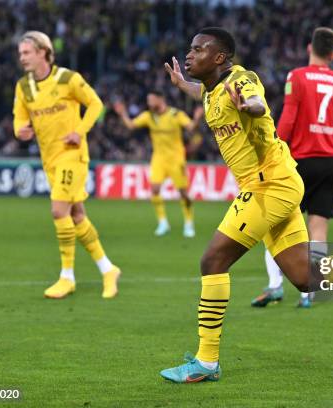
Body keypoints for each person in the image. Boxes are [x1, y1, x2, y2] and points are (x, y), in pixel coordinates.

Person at [160, 27, 333, 383]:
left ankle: (207, 361)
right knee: (307, 279)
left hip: (267, 186)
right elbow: (207, 93)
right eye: (190, 48)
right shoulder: (213, 90)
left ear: (220, 58)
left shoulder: (242, 80)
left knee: (212, 261)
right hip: (278, 183)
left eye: (198, 49)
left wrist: (252, 107)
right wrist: (184, 85)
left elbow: (254, 100)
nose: (189, 55)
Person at [12, 31, 121, 299]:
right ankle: (108, 269)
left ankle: (67, 276)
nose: (21, 57)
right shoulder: (23, 87)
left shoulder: (67, 79)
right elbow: (18, 119)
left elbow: (95, 104)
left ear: (43, 52)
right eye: (20, 53)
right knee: (77, 216)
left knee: (58, 210)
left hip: (72, 155)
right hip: (49, 159)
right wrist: (20, 131)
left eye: (26, 52)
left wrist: (80, 130)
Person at [251, 27, 333, 309]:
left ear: (309, 48)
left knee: (275, 223)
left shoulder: (297, 77)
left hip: (299, 160)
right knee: (318, 228)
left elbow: (288, 119)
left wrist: (273, 149)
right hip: (330, 160)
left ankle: (275, 286)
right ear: (332, 53)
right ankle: (310, 291)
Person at [114, 91, 203, 237]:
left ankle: (188, 223)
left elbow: (191, 127)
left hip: (176, 159)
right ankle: (163, 223)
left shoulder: (176, 114)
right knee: (155, 189)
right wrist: (123, 113)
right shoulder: (148, 116)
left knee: (183, 194)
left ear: (161, 99)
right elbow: (131, 125)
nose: (149, 103)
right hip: (158, 158)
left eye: (152, 100)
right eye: (148, 100)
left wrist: (198, 118)